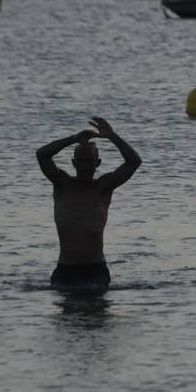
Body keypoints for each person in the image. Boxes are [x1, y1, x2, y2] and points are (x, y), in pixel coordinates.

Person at [36, 116, 141, 293]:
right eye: (81, 160)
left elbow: (134, 162)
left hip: (95, 270)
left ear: (97, 163)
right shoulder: (62, 184)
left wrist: (112, 136)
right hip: (65, 270)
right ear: (74, 163)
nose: (85, 166)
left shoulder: (103, 187)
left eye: (89, 160)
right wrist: (73, 139)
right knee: (67, 319)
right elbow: (42, 155)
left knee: (96, 318)